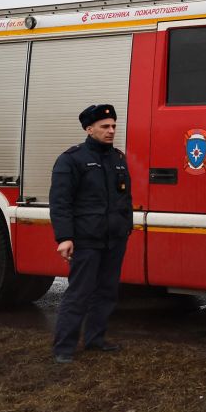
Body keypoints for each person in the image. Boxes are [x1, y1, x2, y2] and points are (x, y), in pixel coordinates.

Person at [50, 104, 133, 364]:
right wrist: (64, 237)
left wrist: (125, 227)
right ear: (89, 129)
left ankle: (96, 340)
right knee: (79, 294)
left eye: (113, 126)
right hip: (86, 240)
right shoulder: (71, 159)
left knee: (107, 292)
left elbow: (125, 198)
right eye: (105, 126)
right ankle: (64, 347)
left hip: (113, 239)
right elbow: (61, 202)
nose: (111, 131)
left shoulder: (118, 158)